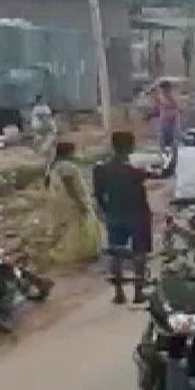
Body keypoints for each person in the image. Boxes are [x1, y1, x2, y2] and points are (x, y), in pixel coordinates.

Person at [93, 131, 152, 305]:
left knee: (116, 252)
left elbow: (98, 194)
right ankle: (138, 293)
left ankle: (119, 293)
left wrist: (106, 211)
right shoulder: (136, 169)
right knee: (139, 253)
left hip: (115, 214)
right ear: (131, 147)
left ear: (113, 146)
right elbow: (163, 172)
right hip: (138, 214)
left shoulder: (101, 169)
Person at [44, 142, 102, 266]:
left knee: (68, 228)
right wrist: (80, 203)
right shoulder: (67, 167)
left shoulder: (54, 167)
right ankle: (80, 254)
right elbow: (71, 187)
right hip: (72, 203)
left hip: (60, 202)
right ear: (69, 152)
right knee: (78, 226)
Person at [148, 80, 181, 170]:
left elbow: (177, 109)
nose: (164, 91)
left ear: (169, 89)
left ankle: (173, 163)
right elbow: (157, 110)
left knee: (174, 145)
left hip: (173, 125)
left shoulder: (173, 98)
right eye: (163, 89)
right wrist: (149, 115)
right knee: (162, 145)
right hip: (163, 125)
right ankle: (165, 163)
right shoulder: (160, 98)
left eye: (165, 89)